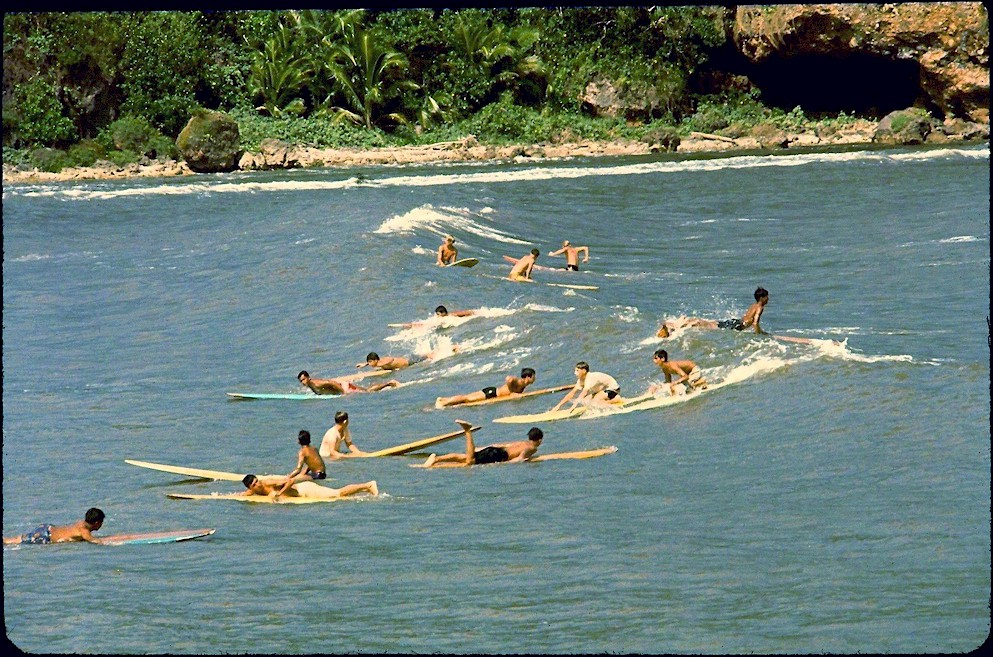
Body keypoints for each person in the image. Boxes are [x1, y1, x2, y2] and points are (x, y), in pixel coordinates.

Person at [420, 420, 543, 467]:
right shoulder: (532, 448)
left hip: (494, 450)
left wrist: (483, 448)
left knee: (464, 458)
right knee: (469, 462)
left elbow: (503, 445)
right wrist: (505, 465)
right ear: (539, 439)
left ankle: (436, 459)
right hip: (498, 456)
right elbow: (520, 458)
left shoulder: (522, 442)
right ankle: (467, 431)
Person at [656, 287, 770, 337]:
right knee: (705, 325)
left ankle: (673, 324)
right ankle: (674, 327)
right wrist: (758, 333)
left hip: (736, 322)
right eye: (767, 297)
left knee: (707, 323)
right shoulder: (760, 308)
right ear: (762, 298)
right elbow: (755, 323)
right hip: (737, 325)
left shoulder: (753, 305)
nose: (768, 299)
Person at [435, 367, 537, 407]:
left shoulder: (524, 385)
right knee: (467, 399)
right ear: (528, 377)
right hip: (491, 393)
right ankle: (444, 403)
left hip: (492, 393)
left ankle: (443, 399)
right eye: (533, 377)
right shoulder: (519, 382)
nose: (534, 379)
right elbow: (508, 379)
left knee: (467, 397)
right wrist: (511, 392)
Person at [4, 508, 105, 545]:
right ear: (96, 523)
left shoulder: (81, 523)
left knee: (16, 539)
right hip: (46, 536)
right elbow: (94, 541)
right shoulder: (84, 531)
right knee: (11, 542)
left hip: (48, 528)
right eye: (101, 522)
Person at [551, 361, 621, 412]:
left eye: (577, 371)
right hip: (601, 390)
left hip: (613, 389)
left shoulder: (590, 378)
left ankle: (615, 400)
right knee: (585, 401)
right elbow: (571, 394)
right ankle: (605, 400)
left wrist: (574, 405)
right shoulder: (581, 380)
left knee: (595, 403)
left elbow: (584, 392)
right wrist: (558, 406)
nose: (575, 373)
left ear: (584, 371)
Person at [275, 430, 327, 496]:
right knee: (300, 476)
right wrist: (303, 473)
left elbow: (298, 469)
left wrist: (289, 477)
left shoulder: (302, 452)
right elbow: (313, 464)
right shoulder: (314, 449)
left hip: (317, 475)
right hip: (323, 474)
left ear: (299, 441)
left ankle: (278, 495)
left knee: (292, 480)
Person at [241, 474, 378, 499]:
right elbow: (242, 495)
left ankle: (368, 484)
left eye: (257, 481)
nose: (258, 484)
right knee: (338, 495)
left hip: (305, 489)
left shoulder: (268, 482)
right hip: (302, 494)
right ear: (251, 488)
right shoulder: (253, 492)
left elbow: (290, 480)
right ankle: (365, 489)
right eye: (254, 484)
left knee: (338, 494)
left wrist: (280, 492)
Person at [355, 344, 459, 372]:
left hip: (410, 361)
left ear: (376, 360)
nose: (370, 364)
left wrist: (377, 364)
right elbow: (374, 363)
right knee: (428, 355)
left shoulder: (384, 361)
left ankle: (450, 348)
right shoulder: (378, 362)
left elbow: (390, 360)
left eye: (370, 362)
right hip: (408, 359)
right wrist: (365, 364)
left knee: (430, 355)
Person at [297, 370, 399, 395]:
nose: (302, 382)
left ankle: (389, 383)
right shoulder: (310, 384)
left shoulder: (317, 383)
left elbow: (331, 382)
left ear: (308, 378)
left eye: (303, 379)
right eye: (301, 381)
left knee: (367, 391)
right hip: (343, 388)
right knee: (366, 389)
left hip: (345, 387)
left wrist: (343, 392)